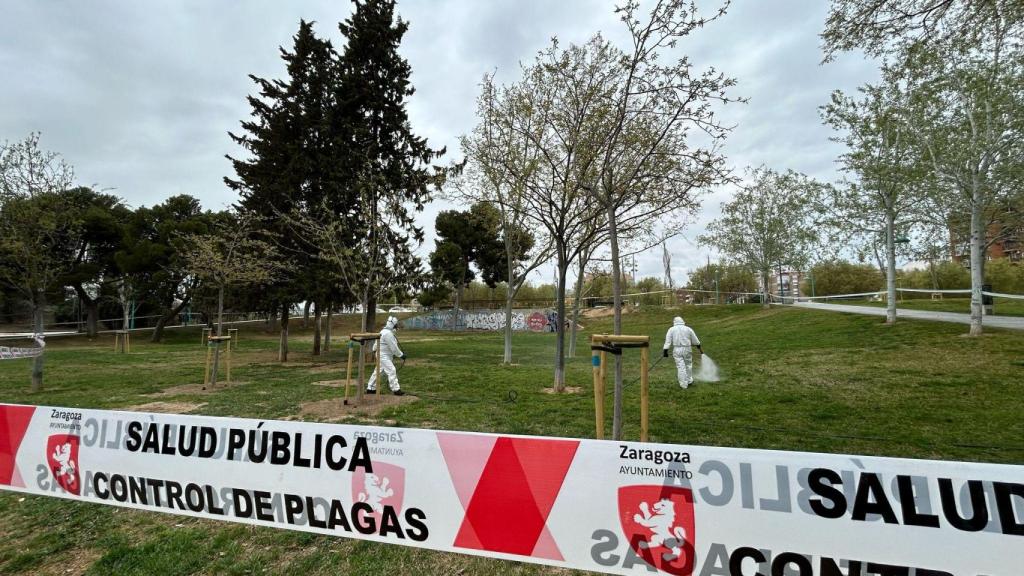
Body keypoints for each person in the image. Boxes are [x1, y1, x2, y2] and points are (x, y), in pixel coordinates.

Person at [366, 316, 406, 396]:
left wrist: (374, 350)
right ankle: (396, 389)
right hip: (383, 356)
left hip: (383, 355)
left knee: (378, 371)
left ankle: (370, 388)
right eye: (396, 325)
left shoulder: (384, 331)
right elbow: (393, 347)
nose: (397, 327)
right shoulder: (388, 333)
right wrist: (401, 355)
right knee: (391, 370)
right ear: (393, 325)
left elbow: (377, 343)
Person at [662, 316, 702, 388]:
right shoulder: (688, 329)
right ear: (683, 321)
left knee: (680, 367)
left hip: (677, 349)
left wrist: (665, 350)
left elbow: (668, 341)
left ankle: (683, 385)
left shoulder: (671, 329)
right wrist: (698, 345)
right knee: (688, 365)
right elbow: (695, 339)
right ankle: (689, 380)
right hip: (687, 349)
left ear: (674, 322)